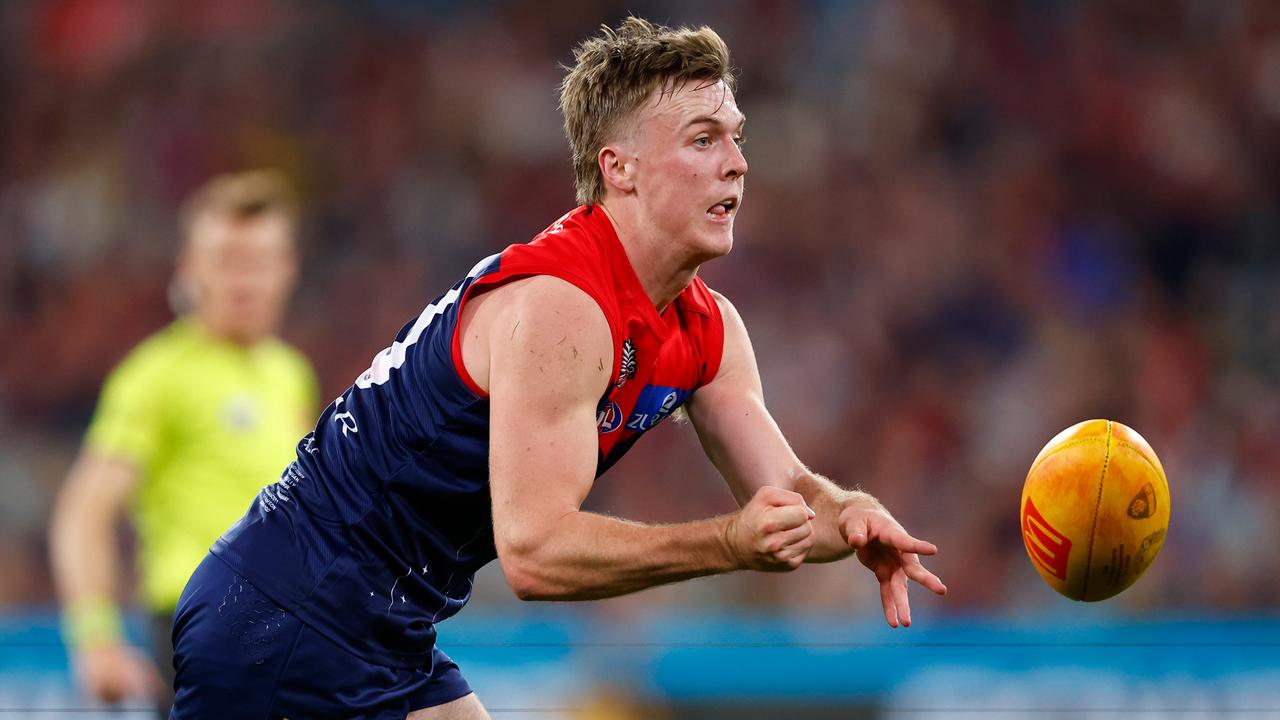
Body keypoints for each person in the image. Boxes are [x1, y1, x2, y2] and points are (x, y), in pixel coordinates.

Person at [170, 18, 947, 719]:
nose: (739, 165)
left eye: (738, 137)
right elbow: (536, 554)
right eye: (704, 139)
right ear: (621, 168)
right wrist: (725, 545)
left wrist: (847, 515)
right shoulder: (562, 308)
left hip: (384, 627)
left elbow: (785, 503)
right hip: (283, 618)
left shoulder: (709, 328)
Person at [48, 170, 318, 714]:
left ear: (287, 270)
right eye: (226, 261)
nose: (244, 280)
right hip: (201, 628)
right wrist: (96, 639)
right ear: (190, 269)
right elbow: (83, 513)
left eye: (259, 261)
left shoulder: (290, 374)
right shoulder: (156, 375)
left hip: (293, 633)